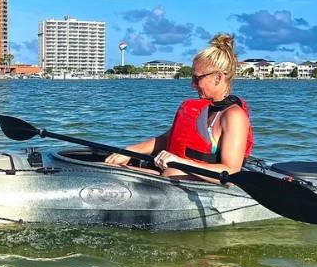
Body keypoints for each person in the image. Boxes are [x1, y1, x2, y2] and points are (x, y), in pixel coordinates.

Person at [105, 33, 253, 180]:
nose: (192, 84)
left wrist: (180, 162)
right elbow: (166, 140)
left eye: (197, 78)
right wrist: (129, 151)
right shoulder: (202, 110)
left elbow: (231, 171)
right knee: (110, 169)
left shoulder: (233, 116)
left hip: (199, 189)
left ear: (218, 77)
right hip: (168, 178)